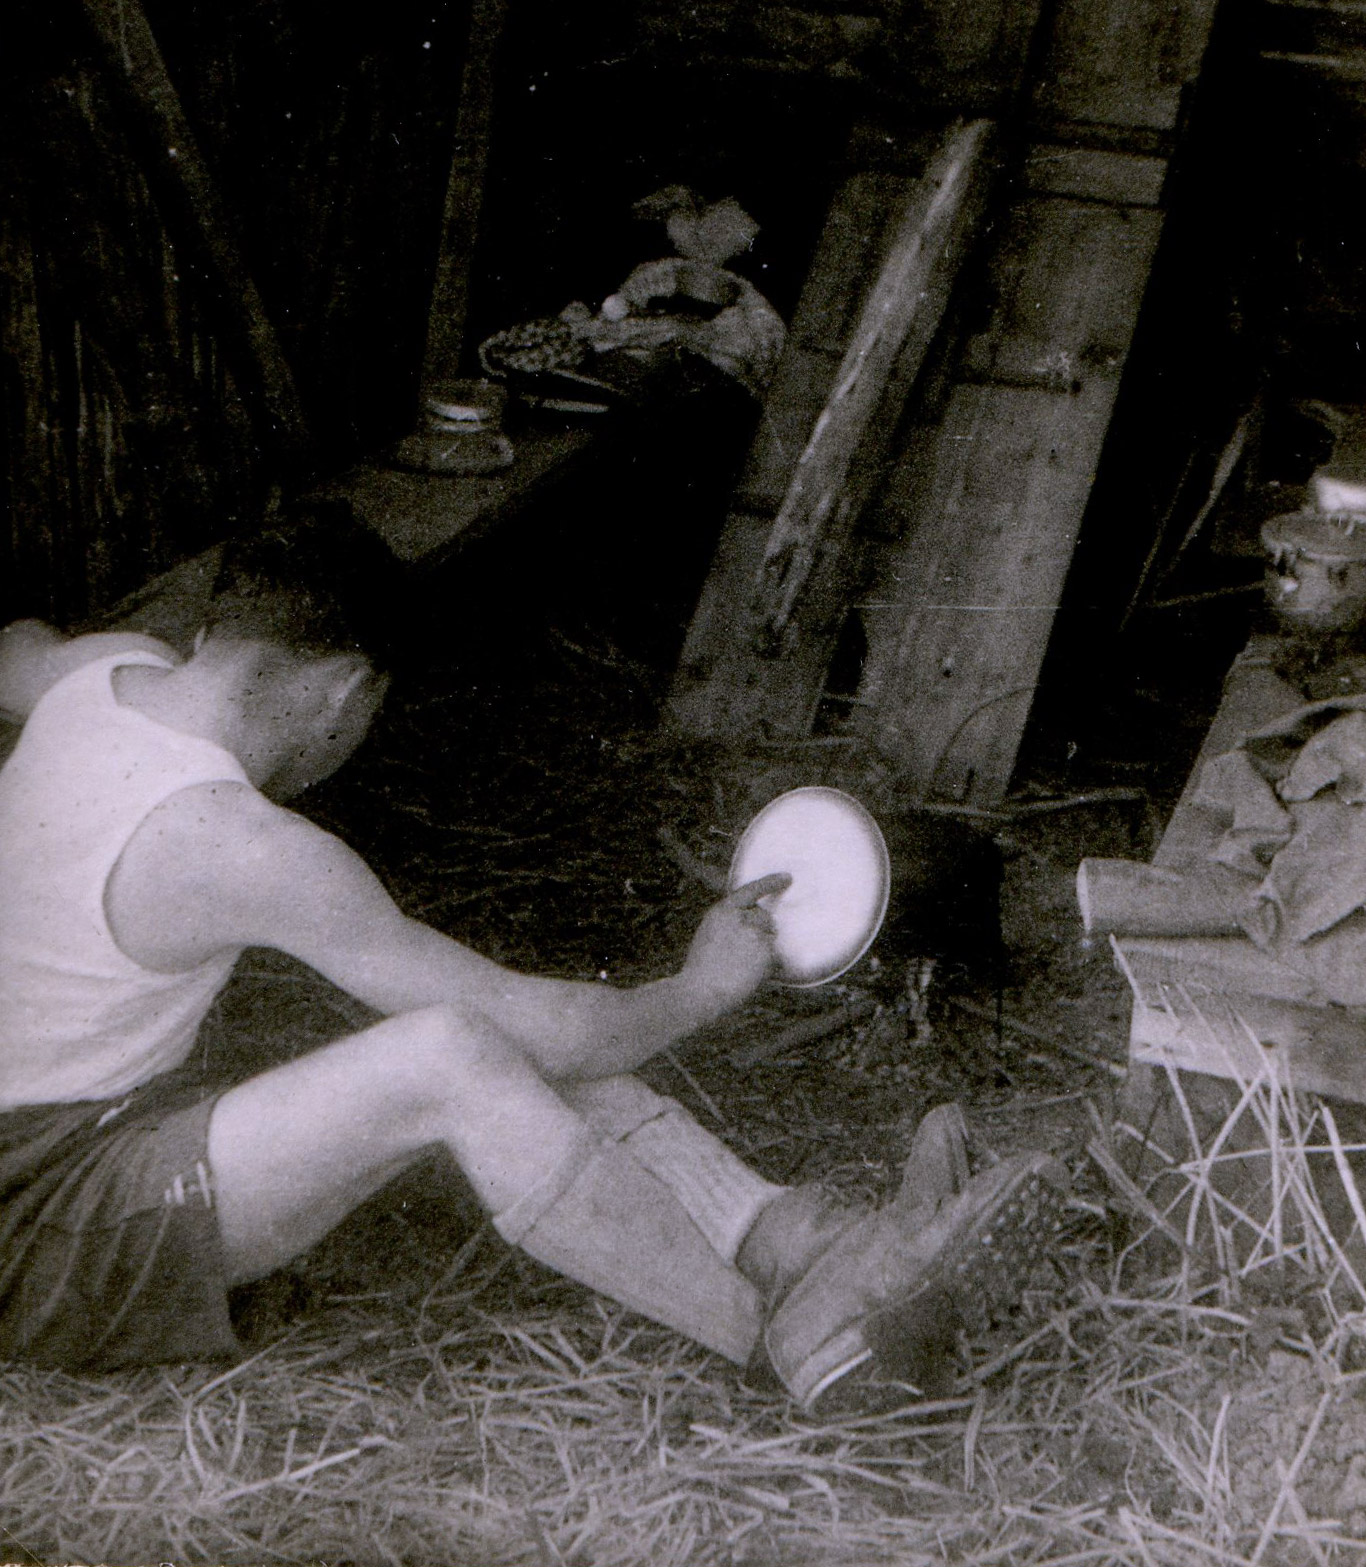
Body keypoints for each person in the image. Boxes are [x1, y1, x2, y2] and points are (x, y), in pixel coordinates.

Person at [0, 520, 1068, 1408]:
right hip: (39, 1220)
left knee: (474, 1033)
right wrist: (697, 986)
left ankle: (792, 1235)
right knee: (454, 1054)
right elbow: (545, 1027)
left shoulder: (94, 675)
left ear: (210, 635)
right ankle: (795, 1338)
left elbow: (17, 643)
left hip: (77, 1133)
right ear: (344, 692)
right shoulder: (240, 844)